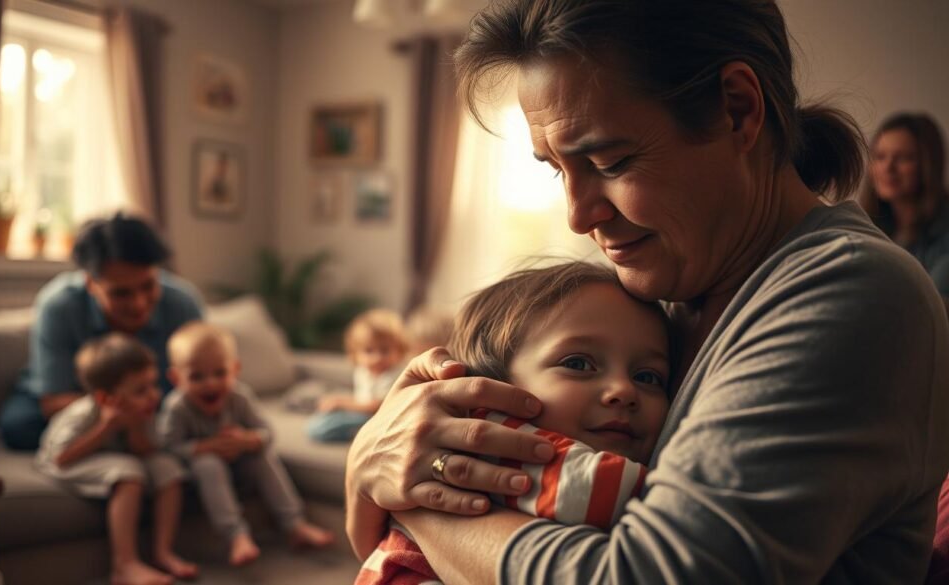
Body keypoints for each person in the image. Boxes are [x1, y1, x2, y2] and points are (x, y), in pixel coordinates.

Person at [343, 1, 949, 583]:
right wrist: (388, 441)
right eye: (558, 169)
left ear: (736, 109)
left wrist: (413, 498)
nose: (577, 217)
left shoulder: (852, 294)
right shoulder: (668, 292)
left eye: (610, 162)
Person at [356, 262, 669, 584]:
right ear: (493, 384)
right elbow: (608, 492)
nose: (624, 390)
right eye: (578, 363)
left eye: (647, 376)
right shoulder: (504, 439)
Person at [0, 212, 204, 450]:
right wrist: (119, 414)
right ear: (90, 283)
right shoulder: (59, 305)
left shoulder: (183, 304)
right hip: (80, 405)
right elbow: (54, 398)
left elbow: (202, 384)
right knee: (18, 425)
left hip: (159, 406)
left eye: (148, 286)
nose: (138, 303)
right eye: (121, 293)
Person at [158, 322, 334, 566]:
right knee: (208, 464)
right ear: (176, 378)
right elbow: (168, 447)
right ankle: (236, 536)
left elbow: (267, 433)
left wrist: (249, 439)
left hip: (239, 464)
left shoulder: (239, 397)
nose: (210, 383)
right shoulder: (177, 407)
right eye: (197, 376)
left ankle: (294, 524)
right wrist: (206, 447)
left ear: (235, 369)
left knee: (263, 456)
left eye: (220, 373)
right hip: (200, 474)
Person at [35, 333, 197, 585]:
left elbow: (146, 450)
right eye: (141, 390)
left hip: (111, 456)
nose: (153, 395)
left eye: (153, 385)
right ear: (104, 398)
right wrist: (106, 427)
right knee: (129, 471)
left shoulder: (144, 409)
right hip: (65, 460)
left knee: (168, 468)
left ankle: (163, 552)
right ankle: (124, 565)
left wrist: (135, 427)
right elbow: (61, 457)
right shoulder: (82, 414)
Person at [860, 112, 949, 302]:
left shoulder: (944, 231)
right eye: (880, 156)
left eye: (904, 158)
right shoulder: (867, 225)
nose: (888, 168)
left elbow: (937, 307)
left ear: (928, 165)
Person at [306, 309, 407, 442]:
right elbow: (363, 398)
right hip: (362, 413)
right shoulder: (362, 371)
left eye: (384, 350)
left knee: (320, 429)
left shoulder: (394, 375)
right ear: (355, 354)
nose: (377, 358)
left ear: (399, 351)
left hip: (378, 417)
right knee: (318, 420)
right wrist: (337, 401)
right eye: (369, 351)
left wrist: (342, 403)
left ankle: (363, 435)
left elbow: (376, 406)